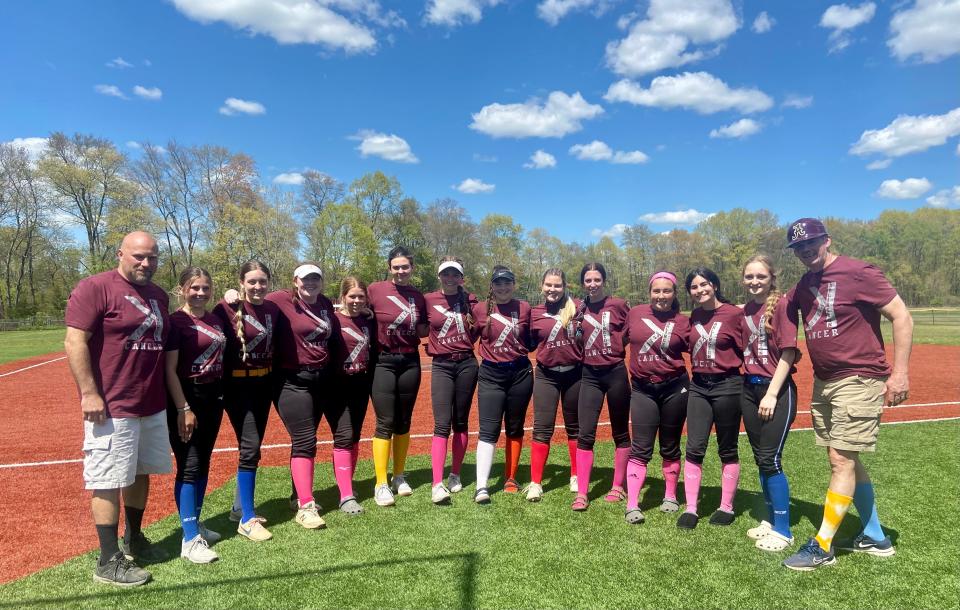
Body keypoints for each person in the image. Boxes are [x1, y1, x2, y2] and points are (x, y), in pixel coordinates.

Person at [781, 218, 913, 571]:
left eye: (811, 243)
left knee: (840, 459)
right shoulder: (805, 282)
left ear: (827, 240)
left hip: (860, 377)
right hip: (826, 381)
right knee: (847, 459)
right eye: (798, 247)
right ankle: (874, 536)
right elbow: (782, 305)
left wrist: (899, 374)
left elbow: (901, 316)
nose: (806, 251)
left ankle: (822, 545)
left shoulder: (859, 272)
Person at [64, 231, 171, 586]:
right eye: (139, 256)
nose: (146, 263)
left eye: (152, 257)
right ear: (121, 254)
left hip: (151, 404)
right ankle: (108, 560)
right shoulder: (95, 287)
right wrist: (89, 393)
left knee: (140, 472)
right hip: (112, 404)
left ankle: (134, 538)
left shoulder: (159, 296)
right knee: (108, 479)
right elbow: (74, 340)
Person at [267, 263, 346, 527]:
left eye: (315, 278)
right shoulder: (280, 299)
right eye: (305, 279)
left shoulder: (324, 303)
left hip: (321, 379)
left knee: (304, 440)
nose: (310, 283)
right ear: (295, 280)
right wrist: (233, 296)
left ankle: (296, 496)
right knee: (305, 440)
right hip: (292, 380)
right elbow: (252, 302)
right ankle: (306, 506)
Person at [214, 260, 280, 542]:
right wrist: (227, 295)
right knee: (250, 448)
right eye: (251, 281)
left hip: (264, 383)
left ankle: (238, 508)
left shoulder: (273, 308)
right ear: (241, 282)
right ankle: (246, 519)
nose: (257, 286)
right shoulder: (226, 308)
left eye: (262, 281)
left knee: (251, 446)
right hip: (238, 385)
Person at [164, 267, 226, 564]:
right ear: (182, 289)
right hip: (187, 398)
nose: (200, 293)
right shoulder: (176, 322)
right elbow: (169, 371)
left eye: (205, 288)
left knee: (202, 464)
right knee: (189, 466)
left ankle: (195, 523)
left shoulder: (214, 318)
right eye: (194, 288)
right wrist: (183, 408)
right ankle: (189, 539)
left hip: (213, 397)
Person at [738, 256, 801, 552]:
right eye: (749, 276)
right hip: (748, 390)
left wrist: (772, 393)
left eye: (760, 276)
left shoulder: (783, 305)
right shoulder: (746, 310)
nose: (754, 281)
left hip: (775, 391)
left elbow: (788, 353)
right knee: (760, 458)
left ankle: (784, 529)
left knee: (771, 459)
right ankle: (769, 519)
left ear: (771, 277)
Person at [678, 267, 744, 530]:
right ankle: (691, 508)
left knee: (727, 448)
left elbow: (748, 347)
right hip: (699, 386)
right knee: (694, 447)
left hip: (728, 385)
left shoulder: (734, 314)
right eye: (694, 287)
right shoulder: (693, 316)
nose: (699, 290)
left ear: (715, 285)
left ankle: (726, 506)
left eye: (704, 284)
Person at [623, 271, 691, 524]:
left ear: (674, 294)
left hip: (675, 388)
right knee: (640, 447)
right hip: (643, 389)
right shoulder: (635, 313)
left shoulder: (683, 321)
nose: (661, 296)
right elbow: (615, 338)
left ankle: (670, 495)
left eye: (667, 291)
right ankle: (632, 505)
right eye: (656, 291)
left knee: (670, 444)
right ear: (649, 292)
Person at [366, 246, 429, 506]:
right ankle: (381, 483)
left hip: (410, 361)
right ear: (389, 268)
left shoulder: (417, 296)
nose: (401, 271)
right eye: (396, 267)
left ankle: (399, 476)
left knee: (404, 420)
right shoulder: (375, 290)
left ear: (412, 268)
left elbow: (425, 327)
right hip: (382, 361)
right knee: (385, 421)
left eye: (405, 267)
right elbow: (354, 307)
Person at [471, 265, 533, 504]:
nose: (503, 287)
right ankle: (481, 486)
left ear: (514, 284)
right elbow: (468, 336)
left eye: (507, 282)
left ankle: (511, 477)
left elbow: (533, 337)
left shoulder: (524, 307)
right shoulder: (479, 309)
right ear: (492, 286)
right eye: (498, 283)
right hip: (490, 374)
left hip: (520, 373)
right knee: (488, 430)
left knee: (515, 427)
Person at [573, 262, 631, 512]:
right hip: (590, 375)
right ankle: (583, 492)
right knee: (585, 433)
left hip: (616, 372)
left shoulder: (618, 305)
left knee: (620, 431)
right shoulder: (578, 307)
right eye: (588, 280)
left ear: (604, 281)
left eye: (597, 279)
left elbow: (629, 332)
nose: (593, 284)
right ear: (583, 283)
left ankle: (618, 486)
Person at [424, 258, 479, 504]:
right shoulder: (428, 300)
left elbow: (481, 326)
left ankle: (455, 473)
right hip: (442, 365)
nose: (450, 278)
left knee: (461, 421)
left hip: (467, 363)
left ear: (461, 278)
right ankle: (437, 483)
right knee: (441, 423)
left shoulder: (471, 301)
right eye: (445, 274)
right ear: (440, 276)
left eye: (454, 274)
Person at [527, 268, 582, 502]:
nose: (553, 289)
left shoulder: (578, 307)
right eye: (548, 285)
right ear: (542, 286)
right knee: (542, 427)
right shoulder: (534, 313)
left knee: (576, 427)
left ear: (565, 286)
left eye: (557, 285)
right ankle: (536, 483)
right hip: (546, 375)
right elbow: (527, 342)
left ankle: (576, 475)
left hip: (575, 374)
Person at [332, 276, 377, 513]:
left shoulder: (369, 321)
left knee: (355, 436)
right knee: (344, 435)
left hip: (361, 385)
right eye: (352, 296)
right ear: (343, 297)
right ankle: (346, 496)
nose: (356, 301)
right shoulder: (333, 320)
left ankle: (347, 484)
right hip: (338, 387)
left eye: (361, 296)